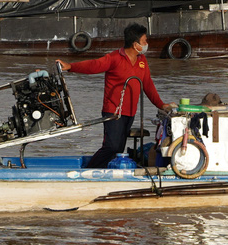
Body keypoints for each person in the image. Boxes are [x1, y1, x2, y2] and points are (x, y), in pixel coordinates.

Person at [56, 24, 174, 168]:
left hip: (130, 113)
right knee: (111, 146)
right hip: (113, 111)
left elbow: (148, 85)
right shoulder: (114, 58)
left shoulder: (142, 60)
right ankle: (90, 170)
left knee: (118, 148)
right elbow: (94, 65)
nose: (146, 44)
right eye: (144, 41)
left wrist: (161, 104)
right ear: (135, 44)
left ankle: (107, 172)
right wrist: (70, 66)